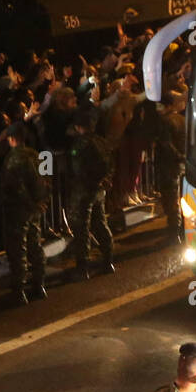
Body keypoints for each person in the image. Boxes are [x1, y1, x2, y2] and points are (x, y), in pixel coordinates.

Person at [0, 122, 48, 305]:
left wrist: (30, 204)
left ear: (11, 139)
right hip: (34, 209)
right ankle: (39, 285)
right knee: (35, 245)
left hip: (18, 210)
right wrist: (42, 202)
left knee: (18, 250)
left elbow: (16, 188)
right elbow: (46, 179)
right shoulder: (35, 155)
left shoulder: (12, 159)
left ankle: (19, 292)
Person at [66, 109, 115, 279]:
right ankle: (108, 260)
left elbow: (78, 169)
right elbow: (111, 163)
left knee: (82, 229)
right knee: (101, 223)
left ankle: (83, 268)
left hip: (84, 190)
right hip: (99, 190)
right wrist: (105, 180)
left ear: (79, 127)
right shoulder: (101, 141)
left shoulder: (80, 144)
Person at [154, 91, 188, 246]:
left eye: (160, 105)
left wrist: (177, 156)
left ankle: (174, 232)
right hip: (182, 165)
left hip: (169, 166)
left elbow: (166, 145)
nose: (157, 109)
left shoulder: (165, 122)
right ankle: (182, 230)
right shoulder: (183, 119)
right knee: (181, 198)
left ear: (168, 106)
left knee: (171, 200)